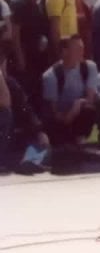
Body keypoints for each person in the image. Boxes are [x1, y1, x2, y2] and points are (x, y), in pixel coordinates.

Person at [41, 35, 100, 153]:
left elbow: (90, 99)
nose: (82, 52)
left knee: (92, 107)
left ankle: (83, 141)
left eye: (82, 48)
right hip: (62, 120)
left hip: (81, 115)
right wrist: (71, 113)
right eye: (77, 48)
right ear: (65, 52)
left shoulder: (89, 67)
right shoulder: (51, 76)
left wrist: (78, 104)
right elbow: (53, 113)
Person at [0, 45, 50, 174]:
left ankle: (28, 160)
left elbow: (26, 109)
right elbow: (5, 103)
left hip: (11, 136)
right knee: (5, 114)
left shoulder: (12, 85)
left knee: (42, 144)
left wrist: (39, 131)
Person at [9, 0, 49, 107]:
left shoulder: (39, 5)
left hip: (38, 58)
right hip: (25, 59)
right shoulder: (19, 5)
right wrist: (20, 58)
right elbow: (15, 35)